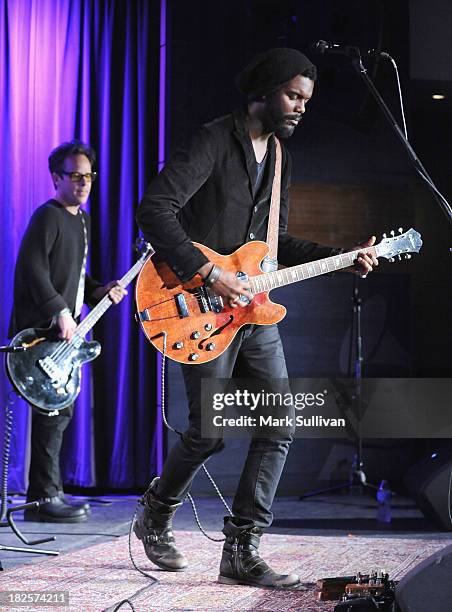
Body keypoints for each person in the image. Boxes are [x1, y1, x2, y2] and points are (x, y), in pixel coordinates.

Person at [135, 48, 378, 587]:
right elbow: (154, 209)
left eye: (306, 101)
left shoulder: (284, 160)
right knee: (209, 432)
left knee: (280, 425)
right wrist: (208, 272)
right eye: (293, 96)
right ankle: (157, 508)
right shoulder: (212, 141)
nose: (300, 108)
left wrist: (340, 257)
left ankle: (242, 548)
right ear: (264, 91)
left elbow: (273, 246)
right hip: (195, 303)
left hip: (254, 313)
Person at [8, 140, 127, 523]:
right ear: (56, 178)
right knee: (53, 413)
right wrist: (58, 311)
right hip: (39, 335)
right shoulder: (48, 217)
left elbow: (78, 278)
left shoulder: (82, 220)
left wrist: (100, 290)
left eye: (89, 176)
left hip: (65, 337)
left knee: (58, 414)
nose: (84, 183)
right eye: (75, 176)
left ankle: (45, 497)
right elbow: (32, 269)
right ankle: (44, 500)